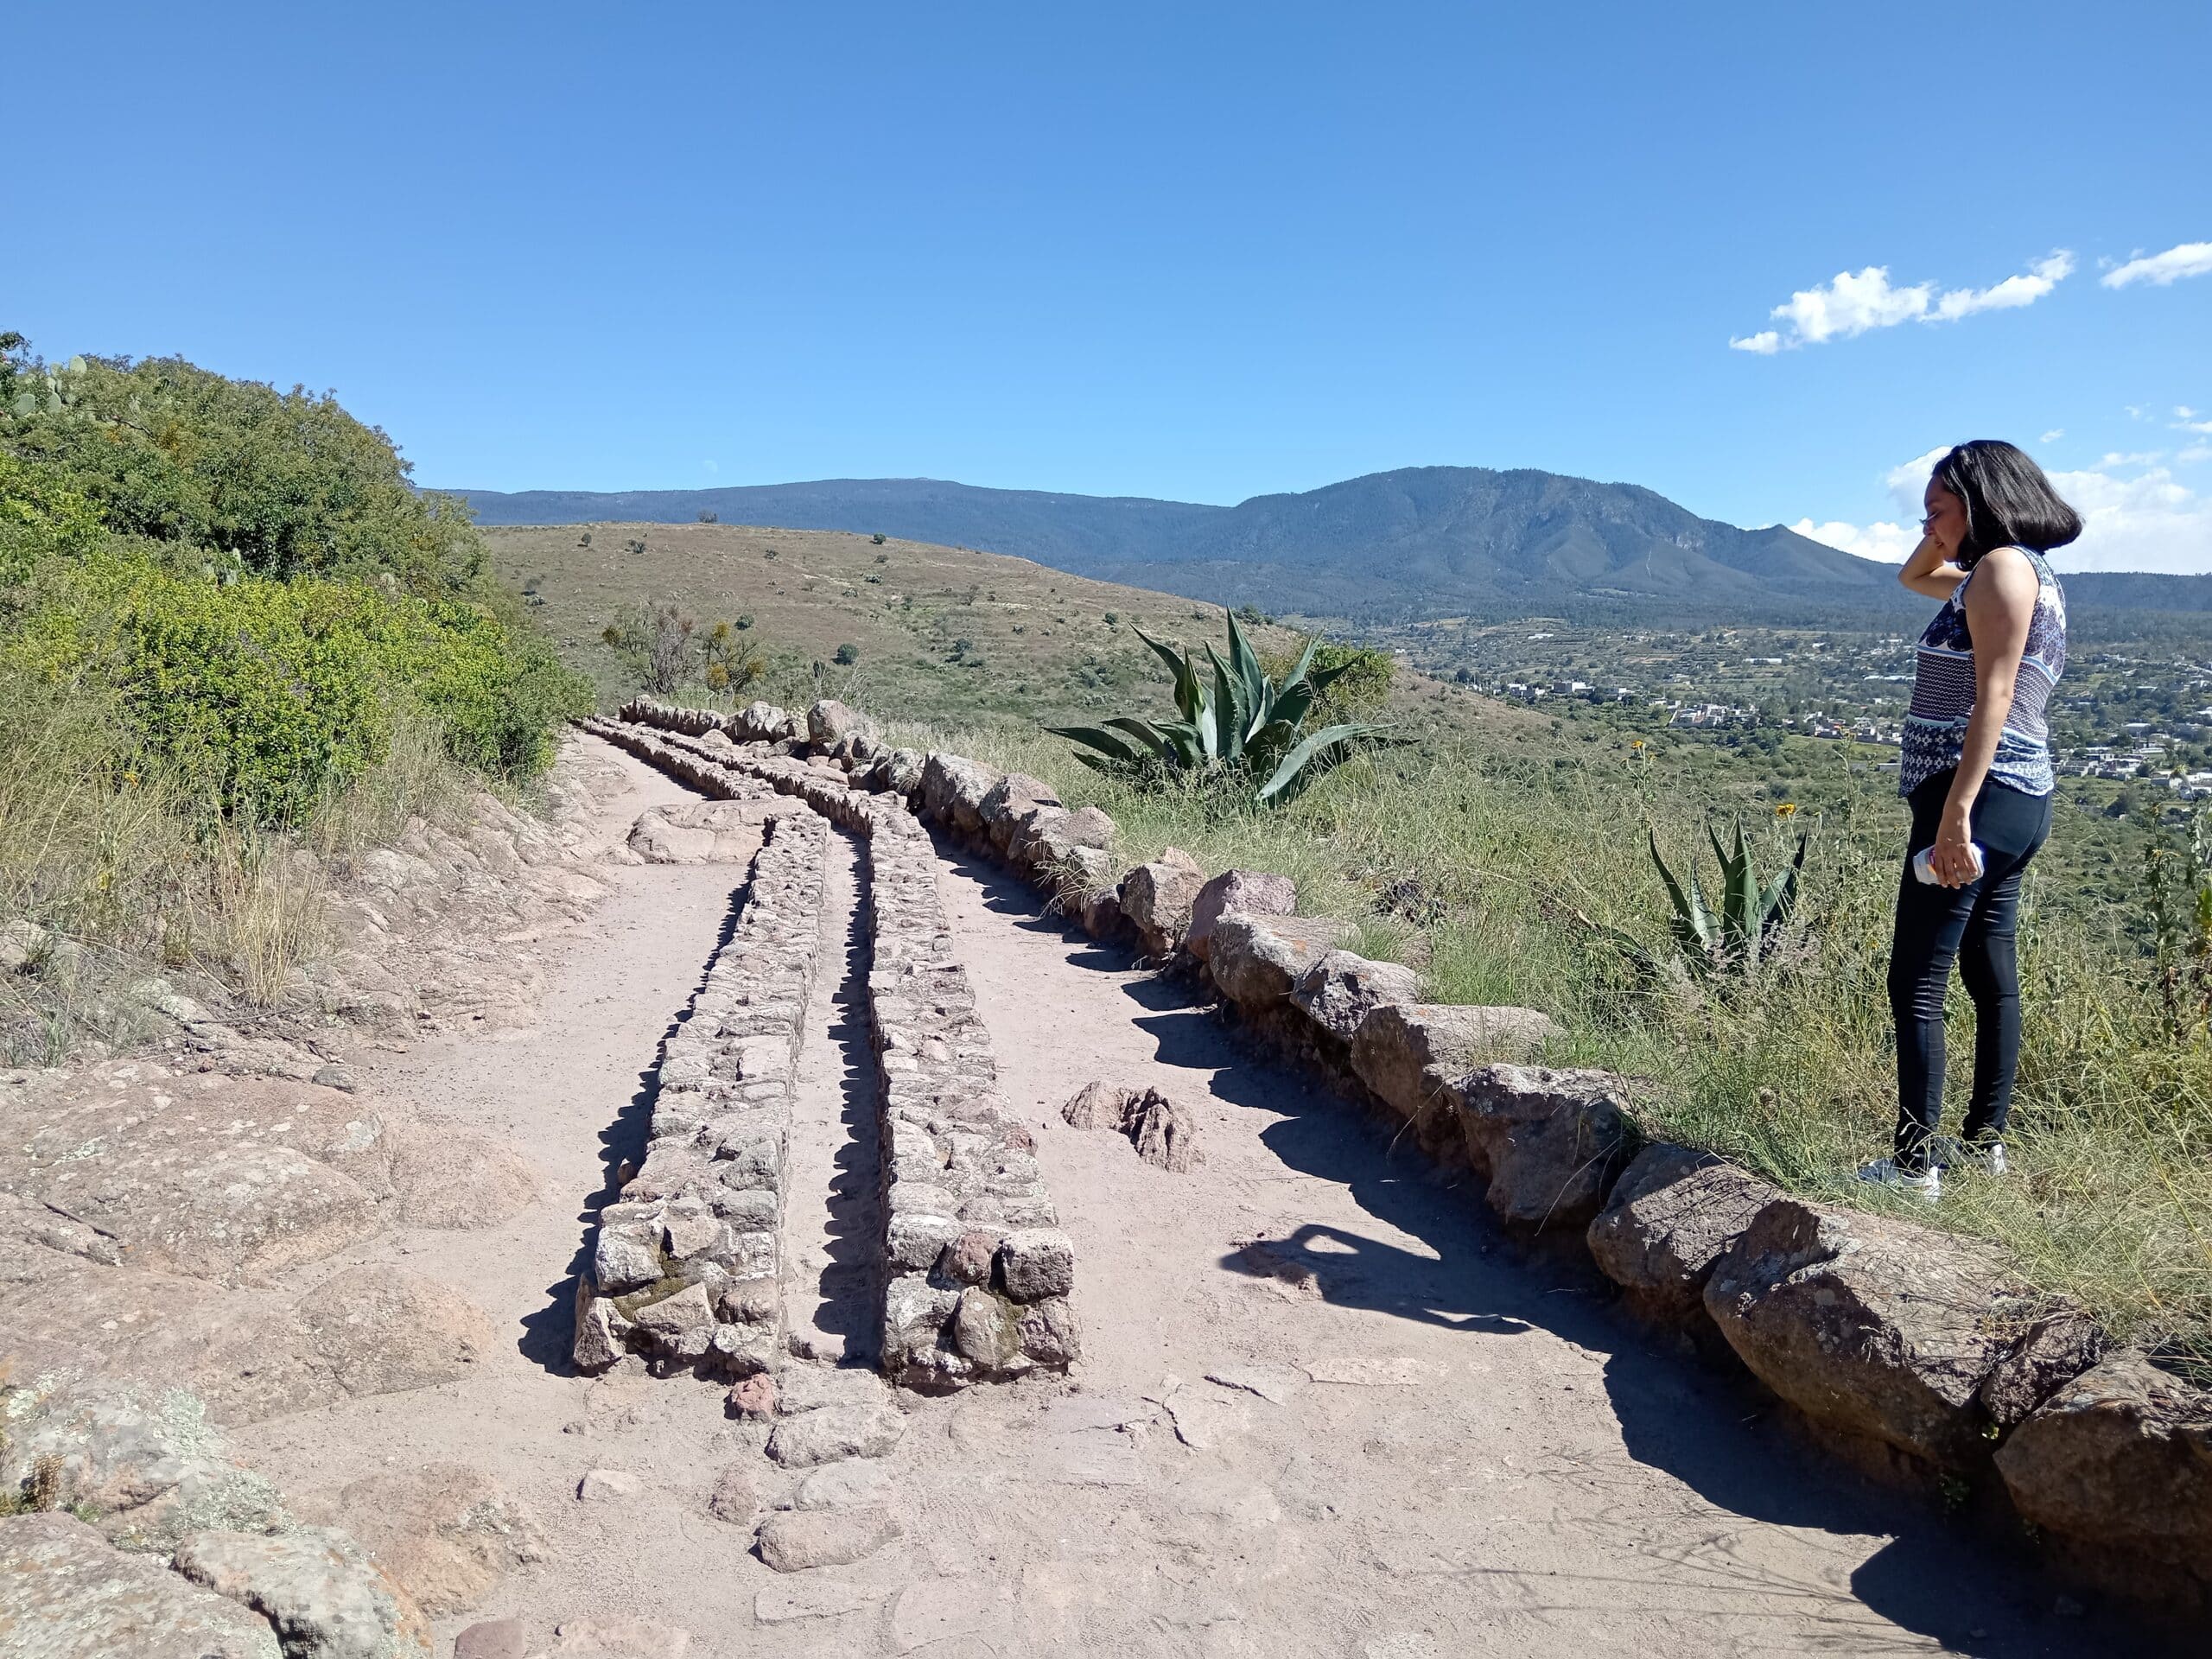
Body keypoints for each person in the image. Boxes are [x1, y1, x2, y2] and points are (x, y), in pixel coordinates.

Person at [1859, 440, 2078, 1201]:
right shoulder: (2020, 574)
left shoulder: (2001, 569)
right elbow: (1912, 576)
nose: (1929, 526)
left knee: (1916, 976)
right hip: (2019, 795)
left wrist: (1955, 814)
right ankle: (1984, 1146)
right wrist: (1943, 522)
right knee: (1989, 971)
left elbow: (1993, 696)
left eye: (1939, 509)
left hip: (1977, 794)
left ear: (1982, 502)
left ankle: (1915, 1167)